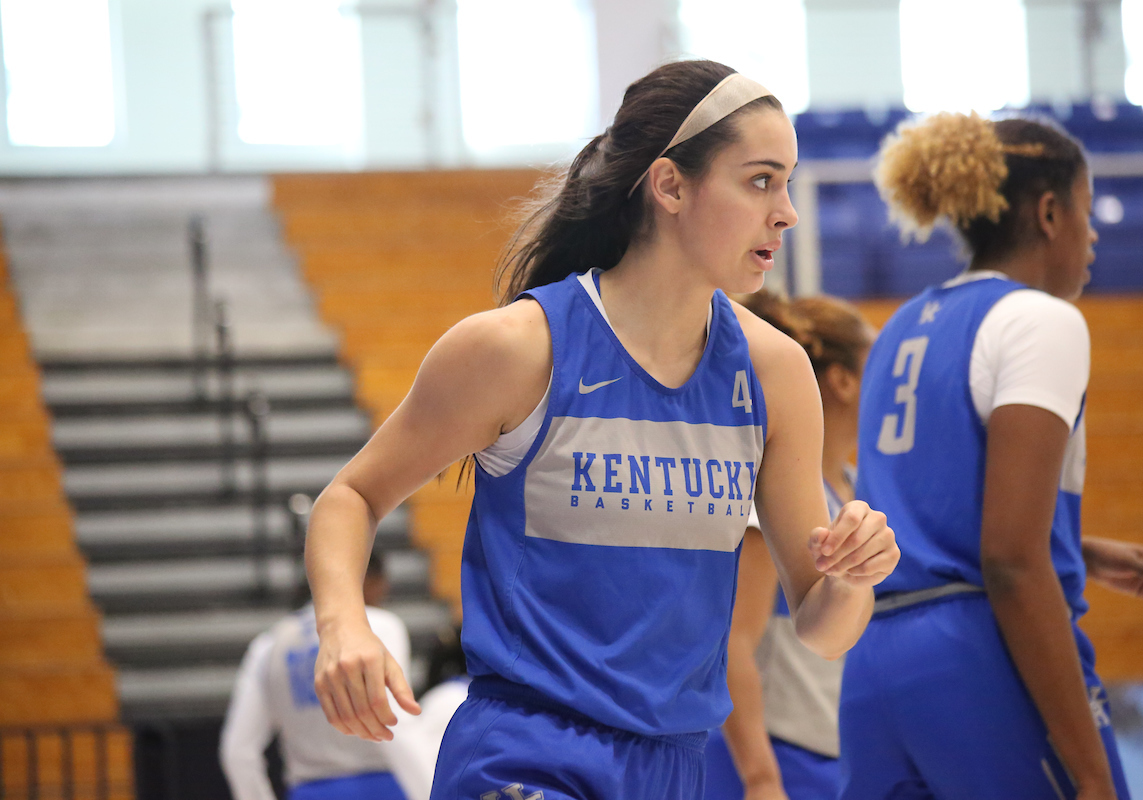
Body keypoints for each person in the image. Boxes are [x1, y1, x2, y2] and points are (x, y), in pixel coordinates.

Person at [303, 59, 900, 800]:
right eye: (760, 180)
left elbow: (822, 626)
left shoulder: (775, 373)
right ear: (670, 185)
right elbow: (349, 497)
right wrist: (343, 625)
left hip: (677, 767)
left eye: (787, 183)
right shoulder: (519, 348)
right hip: (526, 755)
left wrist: (851, 577)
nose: (787, 211)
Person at [841, 111, 1143, 800]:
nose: (1093, 236)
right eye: (1086, 213)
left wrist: (1082, 552)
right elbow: (1009, 559)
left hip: (873, 667)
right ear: (1048, 212)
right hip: (975, 661)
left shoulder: (898, 330)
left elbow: (931, 518)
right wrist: (1092, 771)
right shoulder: (1041, 319)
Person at [705, 292, 874, 800]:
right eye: (879, 367)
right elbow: (733, 643)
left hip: (833, 755)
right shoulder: (772, 501)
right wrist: (761, 778)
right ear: (843, 380)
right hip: (775, 757)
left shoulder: (856, 490)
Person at [220, 553, 434, 800]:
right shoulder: (379, 625)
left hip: (308, 790)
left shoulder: (269, 644)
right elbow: (397, 725)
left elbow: (238, 751)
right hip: (381, 788)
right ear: (367, 578)